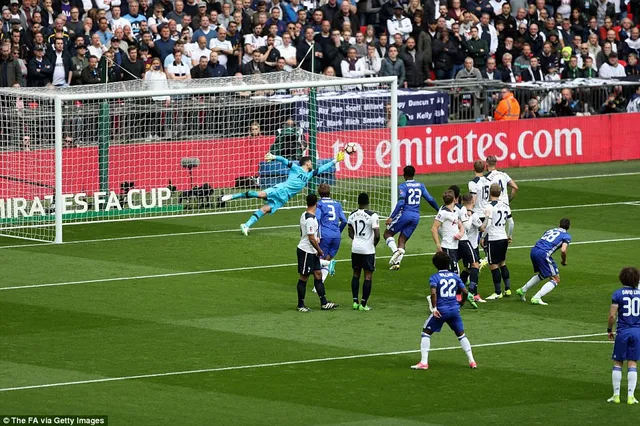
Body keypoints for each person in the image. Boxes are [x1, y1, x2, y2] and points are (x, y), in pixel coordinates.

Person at [221, 152, 346, 236]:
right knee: (258, 194)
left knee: (265, 209)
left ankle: (246, 225)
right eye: (311, 162)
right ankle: (233, 196)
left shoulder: (309, 175)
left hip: (284, 198)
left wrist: (335, 160)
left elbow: (323, 168)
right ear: (307, 163)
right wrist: (274, 157)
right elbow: (284, 160)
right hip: (280, 189)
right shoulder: (296, 168)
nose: (312, 164)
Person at [411, 251, 478, 371]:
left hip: (441, 311)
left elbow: (433, 293)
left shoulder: (435, 277)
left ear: (435, 264)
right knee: (461, 335)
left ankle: (424, 362)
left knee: (426, 333)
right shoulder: (455, 276)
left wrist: (434, 308)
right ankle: (472, 361)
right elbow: (466, 292)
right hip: (454, 310)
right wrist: (461, 303)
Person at [386, 165, 439, 271]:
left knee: (387, 234)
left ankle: (395, 252)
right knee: (402, 239)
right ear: (414, 174)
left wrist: (392, 217)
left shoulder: (403, 186)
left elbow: (401, 203)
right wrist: (438, 210)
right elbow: (430, 199)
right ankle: (397, 263)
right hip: (416, 217)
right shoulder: (420, 185)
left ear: (404, 175)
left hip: (405, 214)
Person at [295, 193, 339, 313]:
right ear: (317, 204)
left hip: (311, 251)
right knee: (304, 277)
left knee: (318, 274)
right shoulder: (309, 218)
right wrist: (319, 250)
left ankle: (324, 303)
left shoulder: (306, 215)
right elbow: (310, 238)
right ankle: (300, 305)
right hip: (306, 251)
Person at [516, 218, 571, 305]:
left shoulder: (550, 230)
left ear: (559, 224)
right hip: (543, 254)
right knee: (556, 279)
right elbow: (563, 250)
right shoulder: (566, 236)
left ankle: (522, 290)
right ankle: (537, 297)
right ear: (569, 227)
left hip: (534, 250)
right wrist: (564, 261)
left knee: (543, 274)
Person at [607, 266, 640, 405]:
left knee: (618, 362)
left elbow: (612, 315)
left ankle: (616, 395)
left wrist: (609, 329)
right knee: (632, 362)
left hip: (623, 332)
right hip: (637, 332)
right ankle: (631, 397)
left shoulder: (618, 294)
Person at [348, 192, 380, 311]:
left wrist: (357, 240)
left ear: (358, 202)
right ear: (368, 202)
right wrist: (373, 245)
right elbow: (377, 235)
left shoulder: (352, 215)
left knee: (356, 274)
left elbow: (350, 232)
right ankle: (363, 304)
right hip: (368, 250)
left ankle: (355, 302)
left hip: (355, 248)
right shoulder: (373, 215)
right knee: (368, 276)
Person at [482, 183, 515, 300]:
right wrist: (509, 235)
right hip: (503, 237)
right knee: (502, 263)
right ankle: (508, 289)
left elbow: (489, 224)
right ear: (500, 193)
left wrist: (482, 237)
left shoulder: (489, 206)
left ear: (489, 193)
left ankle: (497, 292)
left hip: (493, 239)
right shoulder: (506, 206)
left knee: (493, 265)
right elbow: (511, 223)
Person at [316, 183, 347, 285]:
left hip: (325, 235)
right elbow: (344, 221)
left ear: (319, 193)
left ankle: (329, 264)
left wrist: (318, 235)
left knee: (317, 260)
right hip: (336, 236)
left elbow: (318, 219)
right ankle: (319, 286)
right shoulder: (337, 203)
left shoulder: (319, 204)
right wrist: (338, 231)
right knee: (325, 261)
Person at [431, 190, 465, 274]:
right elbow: (434, 228)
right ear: (454, 199)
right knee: (453, 273)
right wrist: (438, 245)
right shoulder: (443, 213)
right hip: (447, 246)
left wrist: (461, 232)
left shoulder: (455, 212)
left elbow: (460, 225)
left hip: (454, 246)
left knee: (453, 272)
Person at [459, 193, 485, 302]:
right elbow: (482, 228)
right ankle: (473, 293)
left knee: (468, 269)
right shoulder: (473, 215)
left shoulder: (460, 213)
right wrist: (488, 218)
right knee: (475, 267)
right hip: (472, 246)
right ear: (473, 202)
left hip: (462, 244)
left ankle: (458, 291)